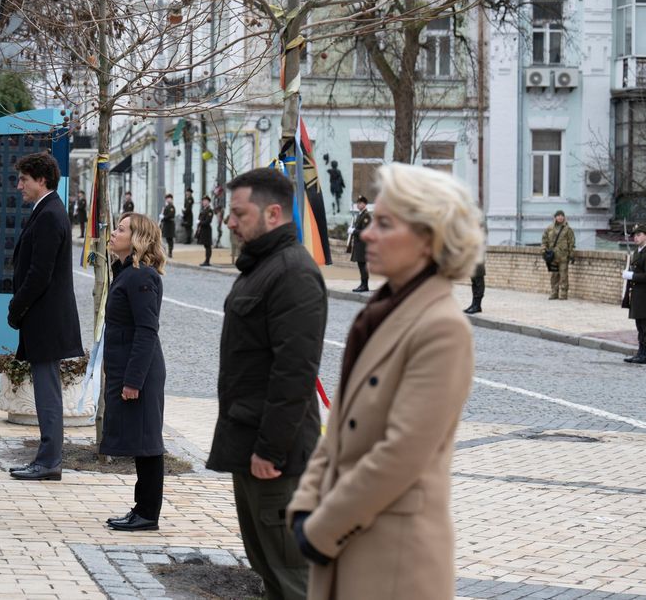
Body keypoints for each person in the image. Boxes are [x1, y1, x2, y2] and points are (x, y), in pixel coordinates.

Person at [287, 163, 481, 600]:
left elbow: (402, 453)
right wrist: (304, 504)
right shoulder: (382, 311)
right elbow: (338, 430)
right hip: (345, 540)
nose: (368, 234)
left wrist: (321, 526)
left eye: (385, 224)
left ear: (429, 239)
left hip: (393, 560)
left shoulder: (442, 327)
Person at [207, 168, 327, 600]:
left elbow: (294, 374)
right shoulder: (263, 267)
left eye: (239, 213)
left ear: (273, 212)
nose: (230, 221)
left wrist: (270, 450)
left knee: (295, 579)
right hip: (252, 448)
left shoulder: (292, 272)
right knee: (270, 573)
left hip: (277, 460)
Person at [7, 152, 85, 481]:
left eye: (24, 179)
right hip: (43, 319)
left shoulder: (51, 214)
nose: (19, 185)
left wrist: (16, 307)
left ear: (42, 180)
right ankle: (46, 458)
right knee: (44, 390)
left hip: (46, 319)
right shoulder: (46, 211)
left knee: (47, 393)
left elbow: (40, 273)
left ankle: (49, 461)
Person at [101, 213, 168, 532]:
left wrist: (132, 381)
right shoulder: (126, 272)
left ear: (138, 238)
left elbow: (146, 330)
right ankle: (140, 508)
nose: (113, 233)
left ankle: (148, 514)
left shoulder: (141, 277)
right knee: (142, 442)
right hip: (128, 365)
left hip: (140, 370)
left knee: (148, 443)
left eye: (121, 229)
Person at [621, 224, 646, 365]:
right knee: (640, 326)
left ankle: (645, 355)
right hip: (637, 294)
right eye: (635, 235)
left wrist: (632, 275)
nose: (636, 238)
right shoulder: (638, 252)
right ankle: (640, 352)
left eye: (639, 235)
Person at [542, 210, 575, 300]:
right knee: (554, 275)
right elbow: (544, 241)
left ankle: (563, 294)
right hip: (553, 257)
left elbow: (571, 242)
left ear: (564, 217)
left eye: (562, 215)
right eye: (558, 215)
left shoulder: (568, 229)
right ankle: (554, 292)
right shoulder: (549, 228)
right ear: (555, 217)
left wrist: (571, 254)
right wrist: (543, 251)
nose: (560, 217)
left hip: (564, 256)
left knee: (563, 275)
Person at [349, 195, 371, 292]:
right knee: (361, 265)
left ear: (365, 204)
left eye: (360, 203)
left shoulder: (366, 216)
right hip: (359, 245)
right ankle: (363, 284)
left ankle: (364, 285)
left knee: (363, 266)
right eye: (358, 203)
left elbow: (365, 232)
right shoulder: (360, 215)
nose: (358, 205)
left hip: (363, 246)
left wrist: (353, 231)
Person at [196, 195, 215, 267]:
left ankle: (207, 261)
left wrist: (200, 222)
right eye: (203, 201)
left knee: (208, 246)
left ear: (208, 202)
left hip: (207, 230)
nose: (204, 202)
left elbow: (208, 221)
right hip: (203, 230)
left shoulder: (209, 210)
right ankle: (206, 260)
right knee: (206, 246)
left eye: (205, 201)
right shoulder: (204, 209)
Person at [160, 193, 177, 258]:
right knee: (167, 238)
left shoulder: (171, 207)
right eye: (167, 198)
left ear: (171, 199)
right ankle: (168, 252)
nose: (168, 199)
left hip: (170, 224)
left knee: (170, 239)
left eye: (169, 198)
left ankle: (170, 252)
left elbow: (170, 215)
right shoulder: (166, 207)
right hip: (166, 224)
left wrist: (163, 217)